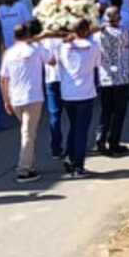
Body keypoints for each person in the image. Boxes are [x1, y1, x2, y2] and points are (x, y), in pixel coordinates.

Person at [0, 19, 51, 182]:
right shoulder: (35, 49)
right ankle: (23, 169)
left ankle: (29, 163)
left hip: (16, 99)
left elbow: (3, 79)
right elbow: (52, 60)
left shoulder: (9, 53)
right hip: (33, 97)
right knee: (28, 133)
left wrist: (6, 100)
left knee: (27, 132)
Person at [48, 21, 100, 175]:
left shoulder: (62, 48)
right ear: (85, 31)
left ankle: (70, 157)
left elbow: (55, 63)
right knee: (81, 130)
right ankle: (78, 166)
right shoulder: (92, 46)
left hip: (68, 94)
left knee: (74, 126)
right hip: (85, 93)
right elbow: (96, 64)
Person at [92, 6, 129, 156]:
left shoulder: (98, 35)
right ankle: (113, 141)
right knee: (119, 112)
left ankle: (100, 135)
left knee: (106, 110)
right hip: (121, 76)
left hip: (105, 77)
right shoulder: (122, 32)